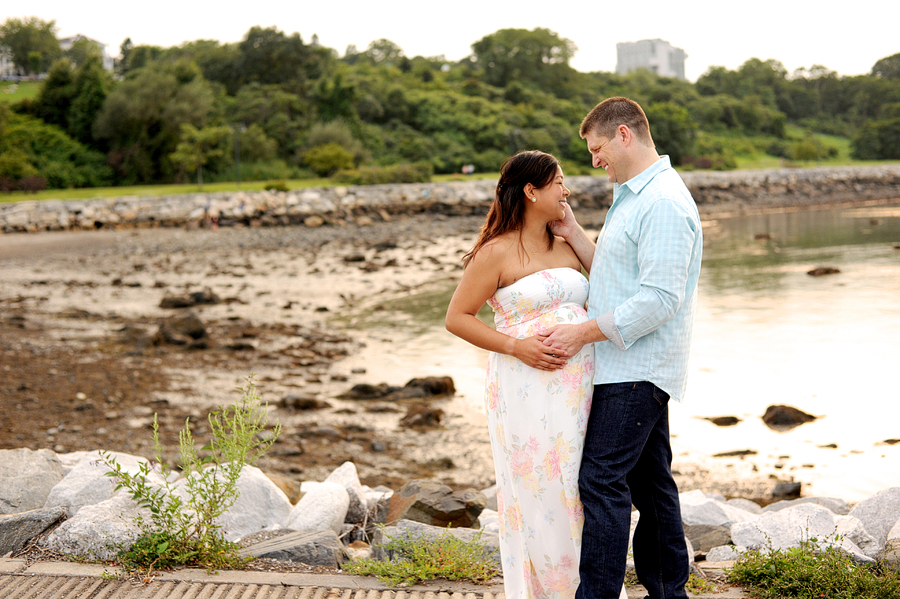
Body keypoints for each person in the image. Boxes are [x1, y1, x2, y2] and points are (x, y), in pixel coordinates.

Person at [446, 150, 626, 599]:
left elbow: (614, 285)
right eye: (559, 182)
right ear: (531, 191)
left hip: (581, 385)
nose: (567, 190)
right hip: (525, 387)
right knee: (544, 488)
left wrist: (575, 231)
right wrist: (516, 346)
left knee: (583, 486)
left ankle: (593, 589)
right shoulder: (496, 252)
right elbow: (457, 317)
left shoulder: (567, 246)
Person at [544, 97, 703, 599]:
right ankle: (667, 591)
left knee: (600, 480)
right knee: (652, 489)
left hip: (636, 369)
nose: (594, 161)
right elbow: (619, 280)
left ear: (624, 136)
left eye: (596, 149)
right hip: (627, 364)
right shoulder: (634, 196)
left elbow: (658, 300)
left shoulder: (663, 203)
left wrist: (578, 334)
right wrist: (573, 234)